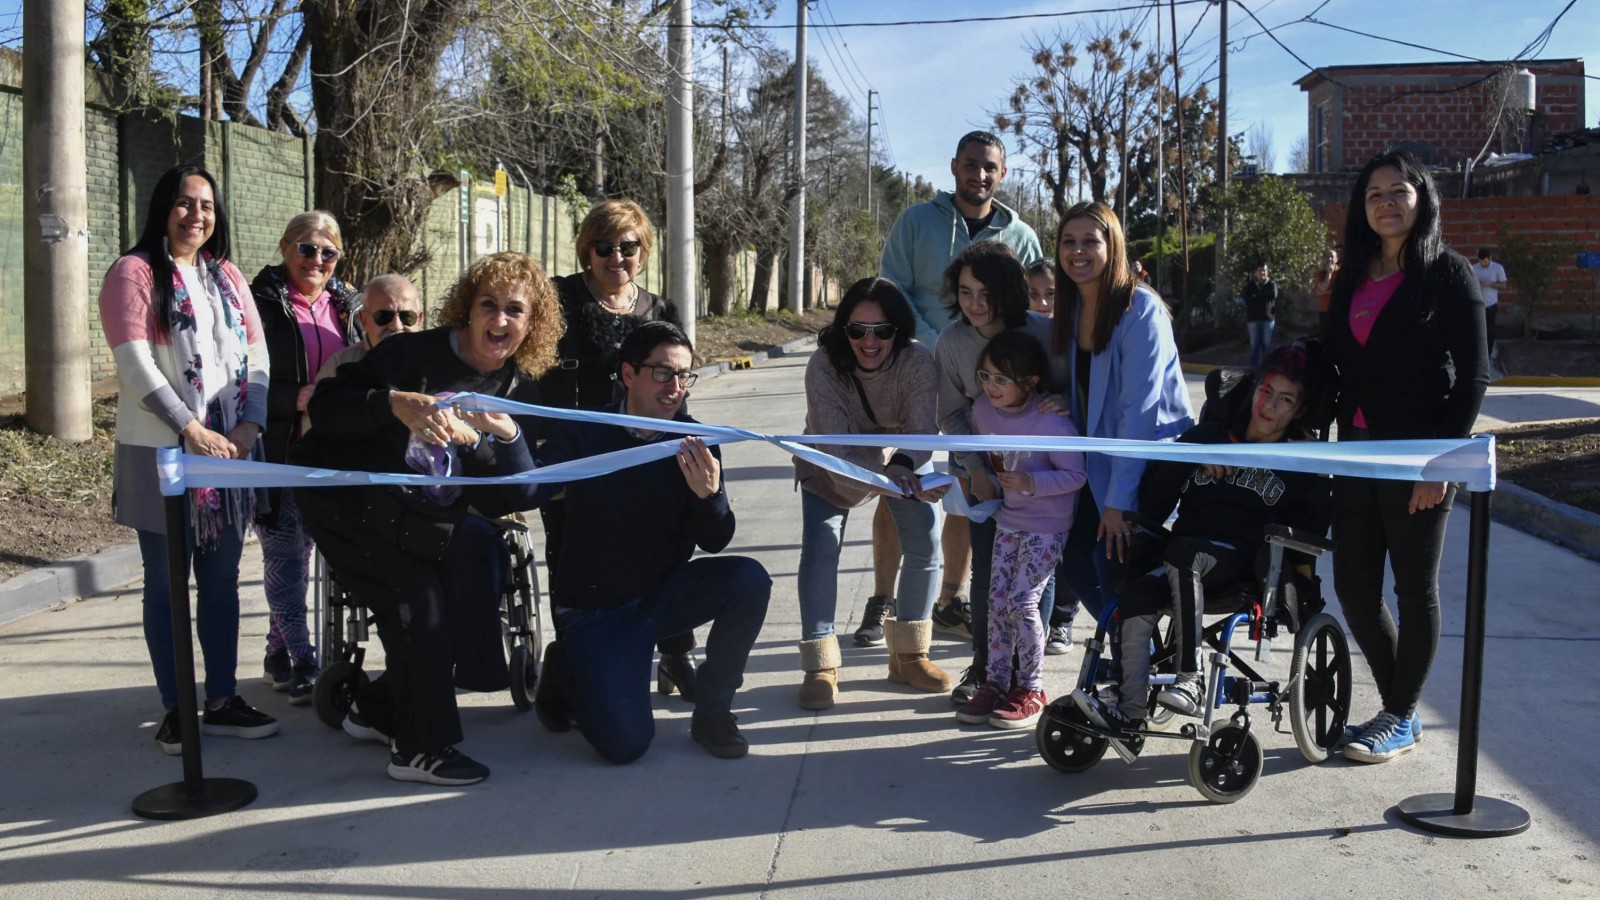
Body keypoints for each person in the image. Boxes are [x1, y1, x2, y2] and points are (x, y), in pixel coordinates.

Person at [291, 251, 565, 786]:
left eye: (516, 310)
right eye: (489, 305)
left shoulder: (518, 393)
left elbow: (511, 494)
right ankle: (420, 749)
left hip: (425, 516)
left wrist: (489, 444)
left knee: (470, 567)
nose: (500, 320)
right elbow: (327, 407)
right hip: (348, 505)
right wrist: (392, 403)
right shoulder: (408, 354)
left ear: (533, 325)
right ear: (467, 308)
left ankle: (374, 708)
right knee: (416, 600)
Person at [1073, 343, 1334, 760]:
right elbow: (1155, 501)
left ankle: (1190, 679)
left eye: (1285, 400)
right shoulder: (1207, 437)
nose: (1270, 406)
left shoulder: (1300, 460)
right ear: (1254, 390)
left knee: (1183, 553)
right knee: (1138, 594)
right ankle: (1130, 715)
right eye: (1267, 391)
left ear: (1299, 411)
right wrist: (1194, 459)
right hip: (1186, 557)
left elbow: (1315, 530)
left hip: (1244, 564)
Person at [528, 321, 772, 761]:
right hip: (596, 612)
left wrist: (709, 496)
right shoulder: (588, 434)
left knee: (748, 580)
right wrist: (503, 439)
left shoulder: (694, 442)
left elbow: (716, 540)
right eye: (662, 373)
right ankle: (566, 671)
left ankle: (714, 712)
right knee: (624, 747)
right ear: (628, 374)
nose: (675, 386)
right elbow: (527, 487)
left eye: (684, 375)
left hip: (659, 601)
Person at [97, 164, 279, 755]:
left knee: (222, 581)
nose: (195, 215)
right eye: (183, 203)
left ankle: (222, 699)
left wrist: (250, 421)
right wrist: (190, 427)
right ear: (162, 208)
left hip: (228, 451)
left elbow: (256, 355)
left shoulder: (225, 276)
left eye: (205, 205)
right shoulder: (134, 272)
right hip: (160, 453)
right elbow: (134, 364)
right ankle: (177, 708)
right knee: (166, 585)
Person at [1325, 149, 1488, 764]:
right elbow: (1337, 361)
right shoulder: (1352, 277)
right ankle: (1404, 709)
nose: (1386, 203)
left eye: (1399, 192)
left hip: (1418, 455)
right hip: (1358, 452)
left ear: (1422, 200)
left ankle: (1397, 712)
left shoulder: (1448, 273)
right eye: (1374, 195)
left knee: (1414, 590)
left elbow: (1472, 376)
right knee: (1355, 589)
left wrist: (1441, 463)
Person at [876, 131, 1046, 650]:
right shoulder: (916, 221)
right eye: (971, 165)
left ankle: (950, 598)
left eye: (990, 167)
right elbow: (892, 288)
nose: (980, 175)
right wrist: (941, 344)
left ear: (1003, 172)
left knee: (968, 493)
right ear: (954, 166)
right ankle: (882, 599)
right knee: (899, 483)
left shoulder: (1021, 234)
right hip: (916, 369)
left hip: (994, 394)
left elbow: (1035, 302)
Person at [535, 199, 699, 701]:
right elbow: (530, 367)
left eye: (627, 247)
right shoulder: (557, 300)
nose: (615, 257)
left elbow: (677, 379)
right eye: (603, 247)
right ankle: (575, 657)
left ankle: (674, 652)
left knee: (665, 550)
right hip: (577, 455)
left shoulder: (659, 310)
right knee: (570, 556)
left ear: (642, 251)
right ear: (587, 250)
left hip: (644, 455)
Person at [793, 279, 951, 711]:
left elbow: (922, 432)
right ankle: (820, 664)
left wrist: (901, 469)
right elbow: (837, 452)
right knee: (821, 547)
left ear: (899, 331)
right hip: (832, 463)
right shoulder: (823, 366)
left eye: (882, 331)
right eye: (857, 330)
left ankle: (910, 655)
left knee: (925, 543)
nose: (869, 340)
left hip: (899, 461)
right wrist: (890, 478)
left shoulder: (918, 362)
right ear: (842, 329)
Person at [1050, 201, 1194, 639]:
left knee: (1104, 562)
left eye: (1090, 242)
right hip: (1100, 462)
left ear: (1112, 246)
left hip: (1146, 465)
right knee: (1076, 561)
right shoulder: (1072, 308)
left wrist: (1120, 504)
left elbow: (1139, 413)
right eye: (1068, 242)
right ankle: (1137, 654)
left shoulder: (1140, 311)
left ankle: (1136, 663)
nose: (1078, 252)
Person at [931, 241, 1057, 705]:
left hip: (1042, 485)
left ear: (1009, 292)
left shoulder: (1045, 333)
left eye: (986, 293)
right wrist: (976, 470)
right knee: (988, 576)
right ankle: (985, 669)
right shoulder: (950, 342)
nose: (976, 304)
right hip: (983, 480)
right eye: (965, 292)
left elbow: (1061, 394)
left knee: (1034, 579)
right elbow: (950, 415)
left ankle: (1029, 677)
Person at [954, 330, 1085, 730]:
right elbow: (985, 456)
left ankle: (1031, 689)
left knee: (1023, 603)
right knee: (996, 601)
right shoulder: (981, 411)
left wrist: (1033, 485)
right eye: (985, 376)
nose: (991, 387)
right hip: (1008, 521)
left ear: (1029, 382)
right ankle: (996, 682)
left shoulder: (1052, 422)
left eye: (1001, 379)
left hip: (1047, 528)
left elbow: (1078, 473)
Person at [251, 211, 356, 704]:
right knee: (287, 556)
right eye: (307, 249)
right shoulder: (258, 304)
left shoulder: (350, 306)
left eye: (328, 253)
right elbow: (237, 375)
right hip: (281, 447)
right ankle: (302, 660)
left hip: (336, 447)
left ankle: (276, 649)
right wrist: (290, 397)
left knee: (319, 550)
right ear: (285, 246)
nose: (317, 260)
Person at [314, 274, 422, 381]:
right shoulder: (339, 367)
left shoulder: (435, 361)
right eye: (384, 316)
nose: (396, 326)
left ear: (419, 319)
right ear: (364, 320)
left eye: (407, 316)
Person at [1473, 247, 1507, 365]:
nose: (1483, 263)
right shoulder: (1475, 268)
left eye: (1485, 261)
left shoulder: (1497, 268)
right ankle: (1478, 353)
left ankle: (1488, 353)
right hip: (1478, 304)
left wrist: (1490, 284)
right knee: (1478, 330)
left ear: (1490, 258)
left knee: (1490, 330)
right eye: (1481, 261)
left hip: (1491, 304)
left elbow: (1503, 285)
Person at [1242, 261, 1278, 369]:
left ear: (1267, 272)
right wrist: (1262, 297)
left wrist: (1256, 296)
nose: (1262, 273)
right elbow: (1248, 299)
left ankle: (1268, 369)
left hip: (1268, 320)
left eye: (1264, 270)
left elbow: (1273, 295)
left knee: (1267, 346)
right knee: (1254, 346)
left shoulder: (1272, 284)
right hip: (1253, 320)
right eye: (1260, 270)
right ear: (1255, 273)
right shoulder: (1250, 285)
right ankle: (1253, 371)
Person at [1314, 247, 1340, 336]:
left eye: (1332, 256)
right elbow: (1322, 289)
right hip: (1325, 311)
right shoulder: (1320, 274)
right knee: (1325, 337)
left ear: (1336, 259)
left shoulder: (1342, 273)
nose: (1329, 259)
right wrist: (1329, 273)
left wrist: (1327, 292)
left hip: (1339, 310)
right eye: (1327, 256)